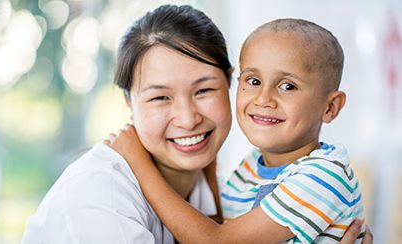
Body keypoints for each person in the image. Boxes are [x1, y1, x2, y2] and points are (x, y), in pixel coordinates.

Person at [108, 18, 370, 243]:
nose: (263, 99)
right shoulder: (250, 168)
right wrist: (208, 168)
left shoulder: (324, 176)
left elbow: (213, 240)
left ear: (330, 107)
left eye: (287, 86)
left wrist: (139, 163)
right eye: (253, 81)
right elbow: (218, 226)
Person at [21, 4, 232, 244]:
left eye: (204, 90)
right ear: (129, 102)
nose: (188, 119)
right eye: (160, 98)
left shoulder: (222, 189)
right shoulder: (100, 193)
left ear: (231, 82)